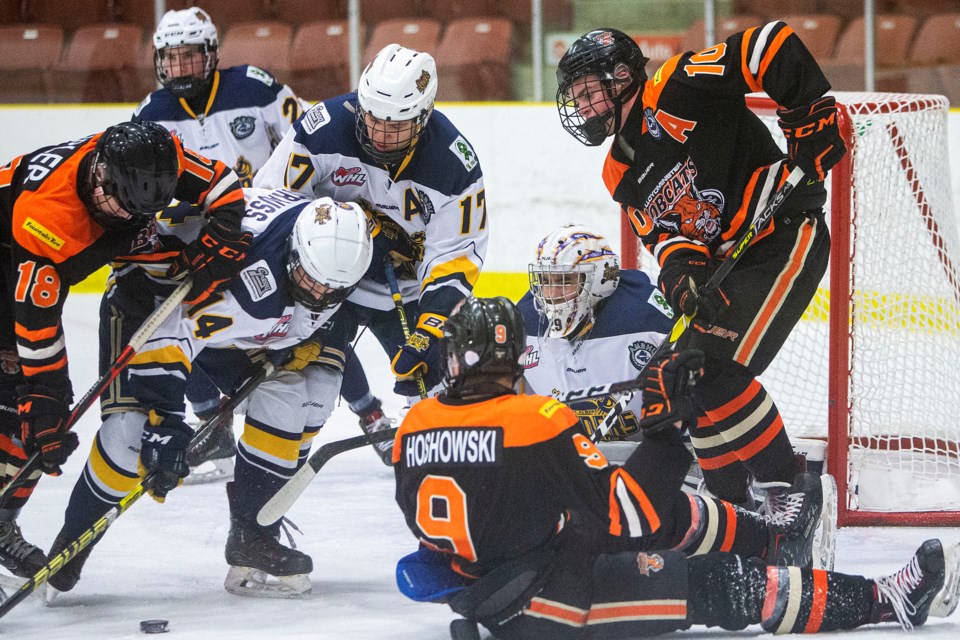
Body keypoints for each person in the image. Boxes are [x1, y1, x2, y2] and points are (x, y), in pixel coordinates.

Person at [391, 296, 959, 640]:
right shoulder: (536, 418)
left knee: (678, 512)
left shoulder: (414, 424)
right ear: (516, 357)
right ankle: (888, 598)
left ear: (450, 359)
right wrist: (670, 430)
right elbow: (630, 515)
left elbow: (432, 537)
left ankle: (778, 540)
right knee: (721, 585)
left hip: (492, 575)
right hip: (545, 604)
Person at [554, 24, 845, 515]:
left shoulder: (676, 85)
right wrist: (682, 277)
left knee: (716, 373)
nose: (581, 108)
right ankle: (735, 509)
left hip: (782, 235)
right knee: (677, 381)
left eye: (588, 93)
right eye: (576, 98)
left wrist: (809, 116)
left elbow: (767, 43)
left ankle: (788, 494)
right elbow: (666, 236)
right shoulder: (619, 169)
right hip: (729, 264)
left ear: (621, 77)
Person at [45, 189, 373, 598]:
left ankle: (252, 533)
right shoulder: (252, 284)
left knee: (290, 398)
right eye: (311, 281)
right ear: (295, 252)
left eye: (333, 288)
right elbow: (172, 334)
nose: (320, 294)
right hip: (150, 305)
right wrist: (165, 422)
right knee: (131, 436)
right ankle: (73, 542)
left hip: (217, 319)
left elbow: (339, 306)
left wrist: (306, 334)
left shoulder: (332, 247)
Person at [0, 121, 249, 578]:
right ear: (100, 175)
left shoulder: (154, 154)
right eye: (117, 205)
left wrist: (221, 235)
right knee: (24, 408)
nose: (124, 217)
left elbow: (222, 184)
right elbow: (35, 323)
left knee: (31, 417)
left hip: (26, 263)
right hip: (8, 259)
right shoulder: (47, 217)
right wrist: (47, 397)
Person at [253, 43, 488, 465]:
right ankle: (276, 467)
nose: (379, 135)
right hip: (328, 285)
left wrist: (429, 329)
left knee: (438, 390)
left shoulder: (454, 165)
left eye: (395, 126)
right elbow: (273, 204)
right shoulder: (322, 128)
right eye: (373, 119)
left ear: (424, 116)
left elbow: (455, 257)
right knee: (315, 391)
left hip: (410, 291)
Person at [132, 6, 315, 483]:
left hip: (264, 230)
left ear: (211, 54)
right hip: (195, 244)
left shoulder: (254, 87)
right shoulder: (152, 115)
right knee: (174, 323)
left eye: (190, 57)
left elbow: (305, 141)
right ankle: (210, 416)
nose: (181, 68)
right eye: (171, 59)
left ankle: (369, 411)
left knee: (312, 311)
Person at [520, 224, 674, 444]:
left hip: (647, 454)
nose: (552, 295)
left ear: (601, 279)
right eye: (545, 281)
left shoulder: (648, 317)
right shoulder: (526, 321)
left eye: (566, 281)